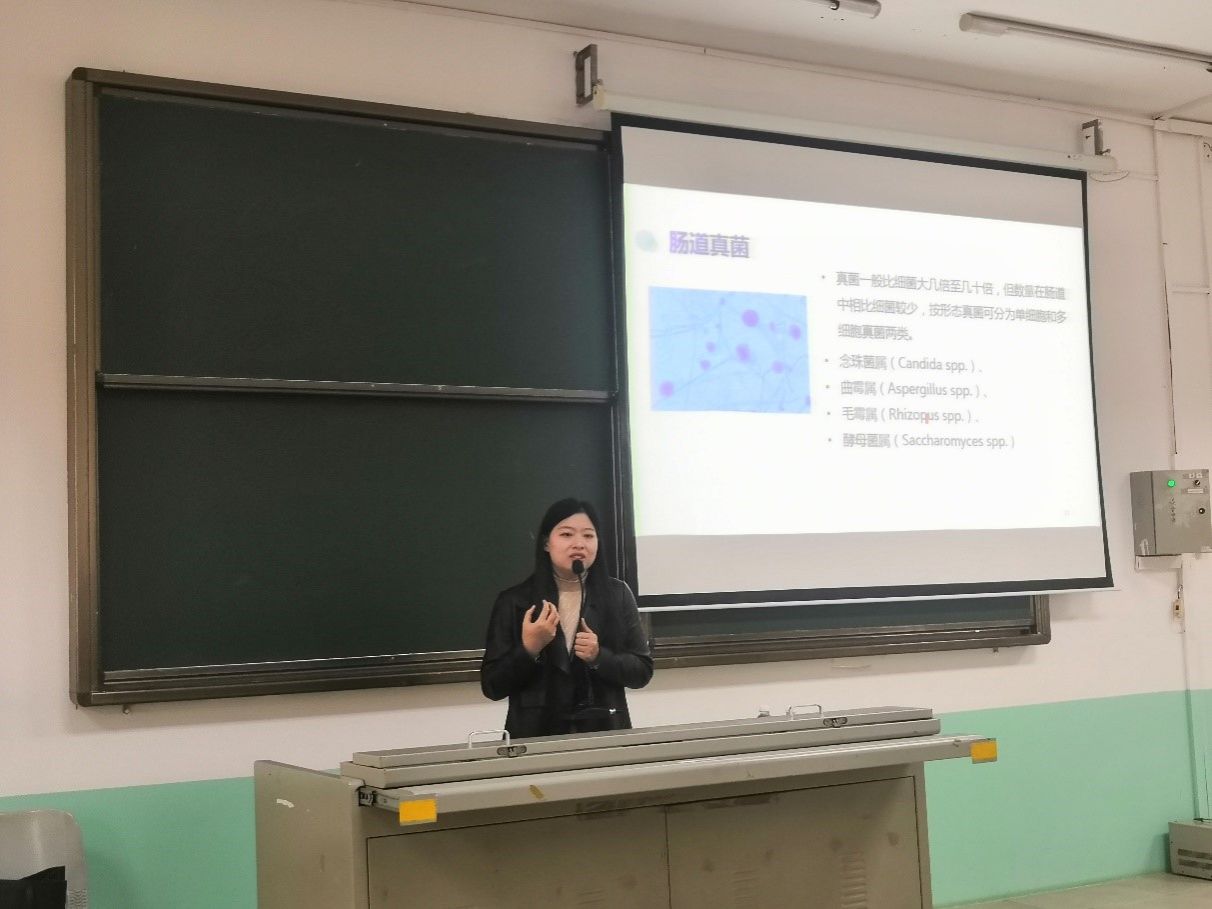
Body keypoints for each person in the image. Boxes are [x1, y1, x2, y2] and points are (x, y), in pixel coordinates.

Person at [480, 497, 653, 737]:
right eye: (566, 534)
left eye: (588, 535)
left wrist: (598, 656)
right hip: (536, 736)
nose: (579, 544)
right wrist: (529, 648)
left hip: (603, 733)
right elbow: (492, 686)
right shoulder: (515, 601)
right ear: (546, 543)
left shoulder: (618, 595)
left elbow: (642, 672)